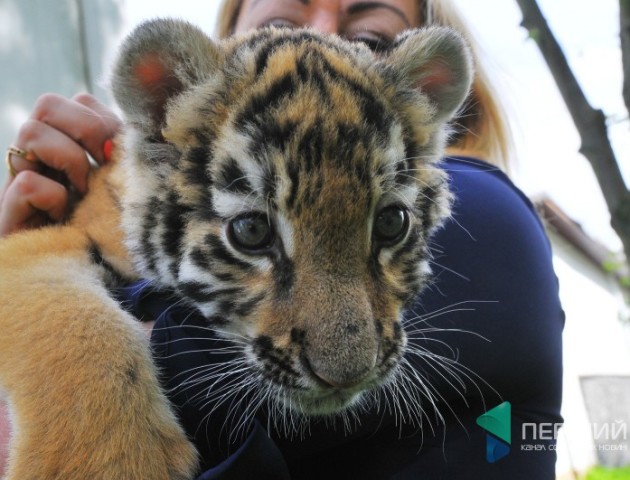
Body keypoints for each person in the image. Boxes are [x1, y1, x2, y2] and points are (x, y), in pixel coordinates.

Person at [0, 0, 564, 478]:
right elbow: (25, 278)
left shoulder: (491, 216)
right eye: (252, 229)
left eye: (368, 37)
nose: (346, 357)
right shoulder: (155, 189)